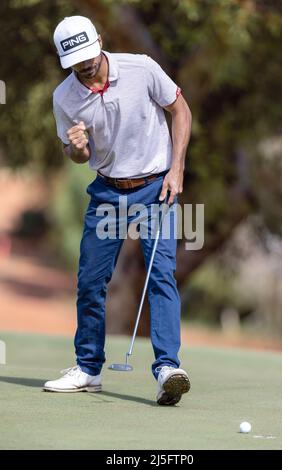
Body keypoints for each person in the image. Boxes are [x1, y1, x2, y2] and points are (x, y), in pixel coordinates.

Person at [44, 16, 192, 406]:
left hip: (155, 187)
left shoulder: (141, 68)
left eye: (89, 55)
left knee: (160, 276)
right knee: (91, 281)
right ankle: (88, 368)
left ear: (101, 42)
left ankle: (167, 370)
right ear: (66, 61)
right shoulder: (65, 98)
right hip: (109, 194)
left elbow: (181, 111)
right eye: (77, 62)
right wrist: (76, 147)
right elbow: (79, 156)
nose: (86, 66)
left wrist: (176, 169)